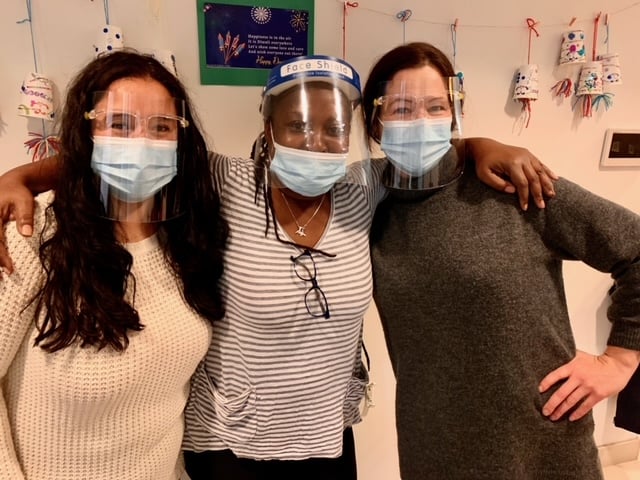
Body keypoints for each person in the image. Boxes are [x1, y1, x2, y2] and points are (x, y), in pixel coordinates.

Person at [0, 54, 555, 479]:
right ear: (269, 127)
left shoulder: (362, 188)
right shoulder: (227, 182)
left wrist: (483, 144)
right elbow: (133, 148)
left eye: (333, 128)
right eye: (297, 124)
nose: (315, 142)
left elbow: (427, 156)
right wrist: (21, 178)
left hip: (326, 437)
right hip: (228, 444)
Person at [364, 41, 640, 479]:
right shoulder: (368, 205)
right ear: (374, 122)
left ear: (454, 114)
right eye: (400, 108)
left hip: (541, 446)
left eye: (436, 107)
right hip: (432, 445)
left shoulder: (515, 185)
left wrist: (620, 361)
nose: (420, 122)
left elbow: (636, 248)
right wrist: (478, 144)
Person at [0, 51, 227, 479]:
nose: (139, 142)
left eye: (161, 127)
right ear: (86, 132)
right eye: (118, 124)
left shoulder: (186, 240)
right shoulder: (33, 233)